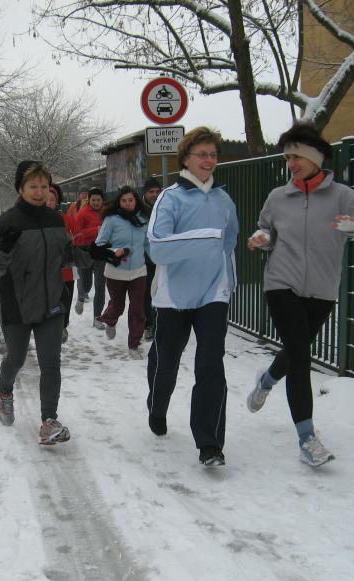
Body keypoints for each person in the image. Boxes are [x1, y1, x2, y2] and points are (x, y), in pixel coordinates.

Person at [246, 122, 354, 468]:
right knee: (300, 356)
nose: (291, 164)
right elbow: (266, 229)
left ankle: (266, 380)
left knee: (295, 349)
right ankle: (307, 438)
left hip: (322, 289)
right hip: (281, 283)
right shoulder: (278, 197)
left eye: (296, 157)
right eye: (287, 158)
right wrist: (262, 238)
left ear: (315, 158)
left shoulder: (343, 197)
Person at [0, 160, 91, 445]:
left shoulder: (55, 220)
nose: (40, 192)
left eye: (44, 186)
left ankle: (49, 421)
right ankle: (5, 390)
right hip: (16, 304)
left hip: (51, 303)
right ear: (21, 188)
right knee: (16, 358)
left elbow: (65, 255)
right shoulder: (6, 222)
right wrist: (4, 249)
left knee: (50, 363)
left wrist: (93, 253)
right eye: (33, 186)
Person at [145, 126, 239, 467]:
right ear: (186, 158)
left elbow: (229, 242)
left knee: (211, 364)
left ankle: (209, 443)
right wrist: (204, 239)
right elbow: (157, 248)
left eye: (213, 155)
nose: (209, 160)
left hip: (213, 293)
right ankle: (157, 406)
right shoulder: (170, 198)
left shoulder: (224, 200)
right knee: (166, 361)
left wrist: (229, 282)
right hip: (174, 297)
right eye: (202, 154)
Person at [93, 185, 149, 358]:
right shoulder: (112, 219)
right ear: (119, 202)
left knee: (137, 308)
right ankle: (110, 320)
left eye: (130, 200)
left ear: (136, 201)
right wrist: (114, 251)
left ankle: (134, 345)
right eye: (124, 201)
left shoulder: (143, 218)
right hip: (116, 271)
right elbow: (99, 243)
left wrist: (160, 259)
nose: (127, 203)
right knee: (118, 306)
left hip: (139, 270)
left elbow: (147, 243)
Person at [47, 183, 76, 343]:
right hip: (47, 267)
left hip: (66, 264)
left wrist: (72, 240)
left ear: (57, 201)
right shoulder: (34, 221)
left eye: (52, 199)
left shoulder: (67, 219)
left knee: (67, 295)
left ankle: (63, 324)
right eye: (46, 199)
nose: (48, 202)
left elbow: (77, 236)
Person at [74, 186, 106, 328]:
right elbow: (76, 233)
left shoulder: (107, 212)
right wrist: (95, 230)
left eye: (99, 200)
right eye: (93, 200)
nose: (96, 202)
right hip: (85, 252)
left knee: (100, 286)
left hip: (101, 252)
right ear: (89, 200)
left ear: (102, 200)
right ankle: (81, 296)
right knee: (86, 284)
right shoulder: (82, 213)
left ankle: (97, 318)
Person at [140, 176, 162, 341]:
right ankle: (148, 325)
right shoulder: (138, 210)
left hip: (163, 258)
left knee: (161, 293)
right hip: (144, 259)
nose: (154, 194)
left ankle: (158, 325)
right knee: (147, 294)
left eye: (157, 191)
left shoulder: (165, 207)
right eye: (151, 192)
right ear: (145, 193)